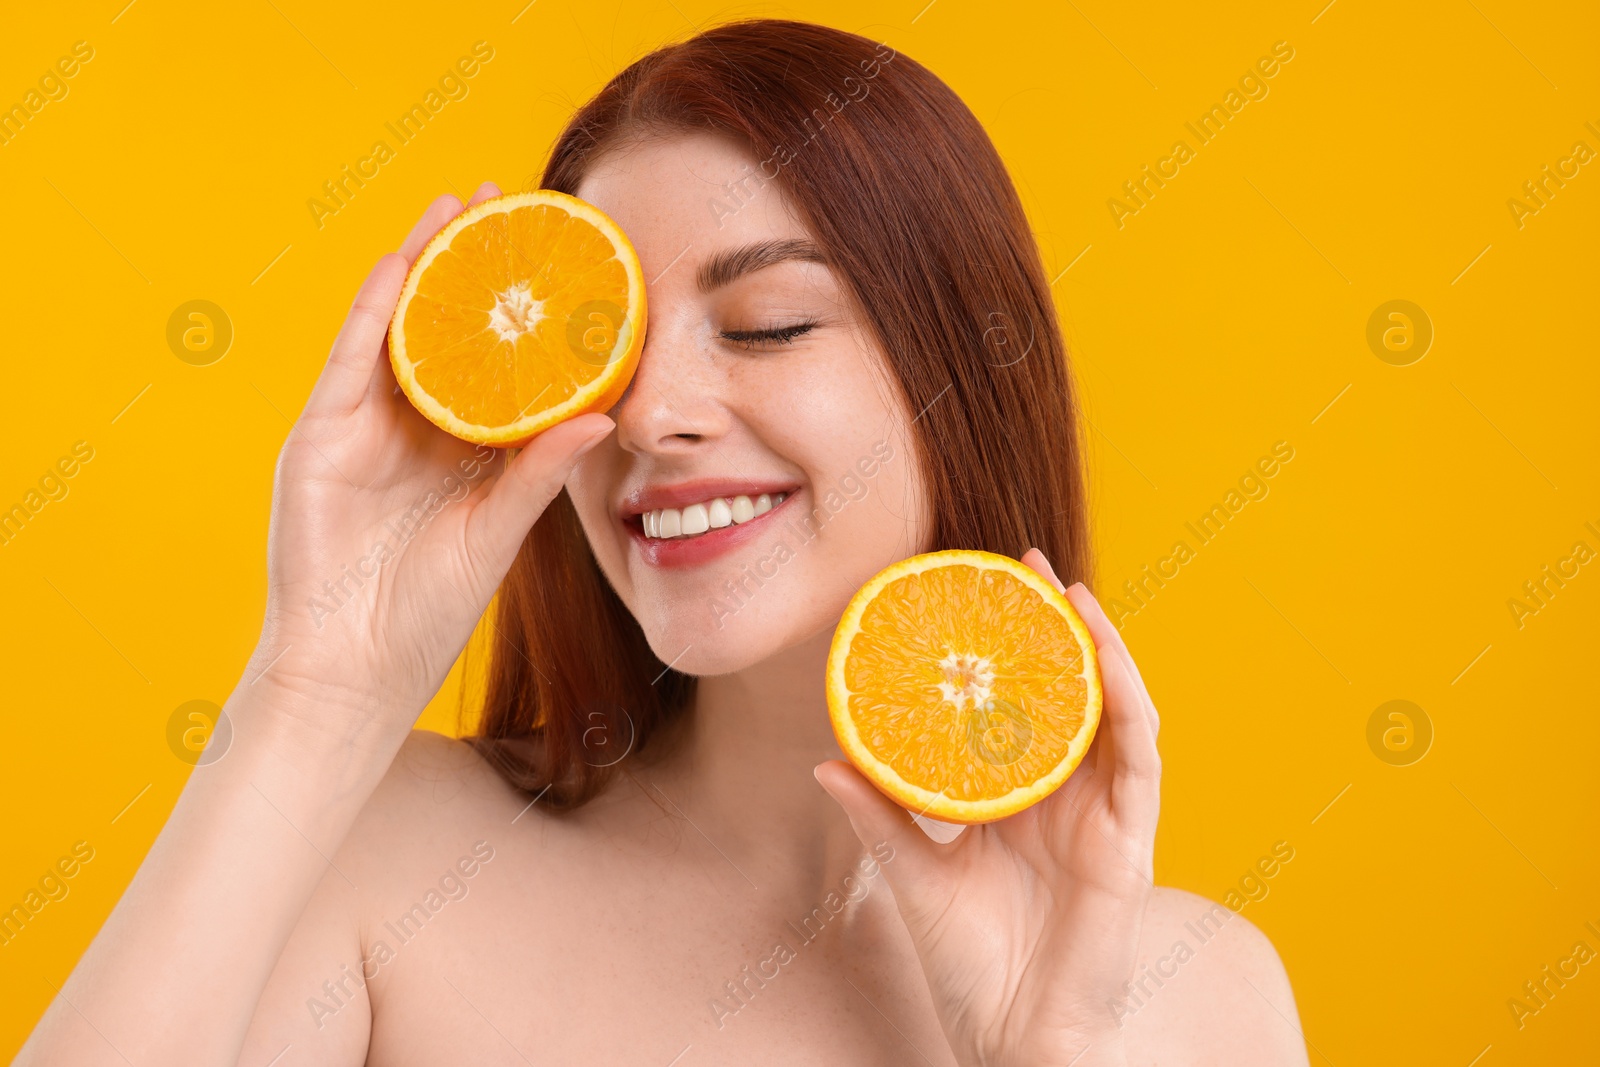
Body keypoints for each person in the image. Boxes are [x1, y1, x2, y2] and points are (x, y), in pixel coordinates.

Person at [18, 19, 1307, 1066]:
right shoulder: (387, 860)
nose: (649, 415)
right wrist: (314, 690)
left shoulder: (1199, 998)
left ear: (959, 374)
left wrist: (1053, 1053)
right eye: (606, 355)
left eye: (766, 324)